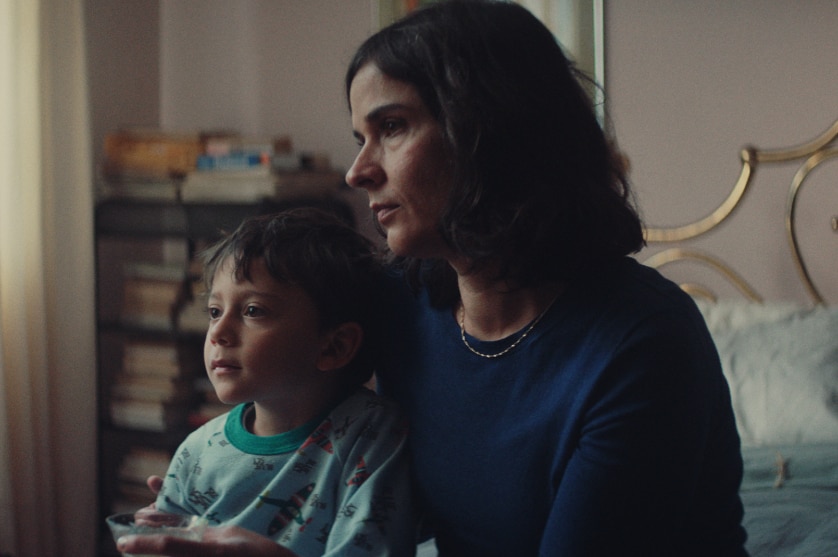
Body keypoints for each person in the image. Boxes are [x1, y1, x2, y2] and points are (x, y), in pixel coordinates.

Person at [124, 1, 748, 555]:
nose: (358, 171)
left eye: (391, 128)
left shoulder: (643, 344)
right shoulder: (402, 303)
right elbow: (323, 435)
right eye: (360, 137)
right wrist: (229, 490)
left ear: (488, 130)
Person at [117, 208, 417, 557]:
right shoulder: (196, 452)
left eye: (253, 311)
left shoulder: (371, 434)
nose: (219, 332)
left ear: (334, 346)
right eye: (215, 311)